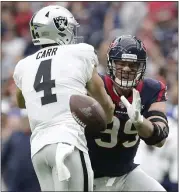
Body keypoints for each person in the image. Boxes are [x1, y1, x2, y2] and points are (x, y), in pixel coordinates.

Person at [13, 5, 114, 191]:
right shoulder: (79, 53)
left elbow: (19, 101)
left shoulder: (24, 65)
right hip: (68, 143)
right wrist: (104, 122)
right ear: (60, 28)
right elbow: (105, 103)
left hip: (39, 151)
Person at [86, 35, 169, 191]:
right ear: (111, 63)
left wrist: (140, 121)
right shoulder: (96, 85)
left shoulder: (152, 90)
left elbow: (160, 139)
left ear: (142, 67)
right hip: (90, 176)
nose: (126, 69)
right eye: (121, 63)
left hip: (125, 173)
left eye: (132, 65)